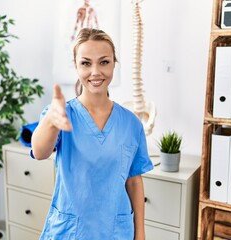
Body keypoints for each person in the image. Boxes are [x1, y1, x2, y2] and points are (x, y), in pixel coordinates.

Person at [31, 28, 153, 240]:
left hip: (116, 231)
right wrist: (52, 119)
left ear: (114, 63)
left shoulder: (132, 123)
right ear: (76, 66)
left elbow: (134, 181)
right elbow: (39, 152)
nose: (95, 72)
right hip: (71, 231)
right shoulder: (61, 114)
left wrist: (140, 233)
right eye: (86, 63)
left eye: (104, 62)